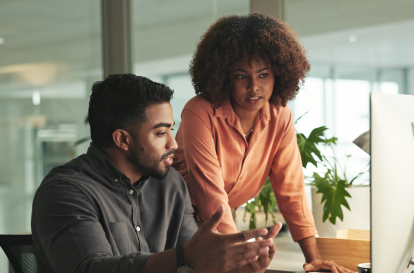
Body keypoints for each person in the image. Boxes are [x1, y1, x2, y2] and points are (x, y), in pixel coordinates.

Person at [31, 74, 281, 273]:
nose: (173, 144)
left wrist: (237, 270)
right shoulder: (65, 191)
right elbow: (91, 268)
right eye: (161, 133)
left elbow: (193, 264)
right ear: (122, 139)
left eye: (172, 130)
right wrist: (185, 257)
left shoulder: (170, 183)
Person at [172, 13, 354, 273]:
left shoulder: (280, 115)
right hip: (176, 218)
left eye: (263, 75)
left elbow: (291, 190)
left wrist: (313, 260)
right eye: (241, 76)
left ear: (278, 74)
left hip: (224, 217)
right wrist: (236, 254)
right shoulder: (199, 112)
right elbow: (208, 190)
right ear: (223, 77)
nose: (254, 87)